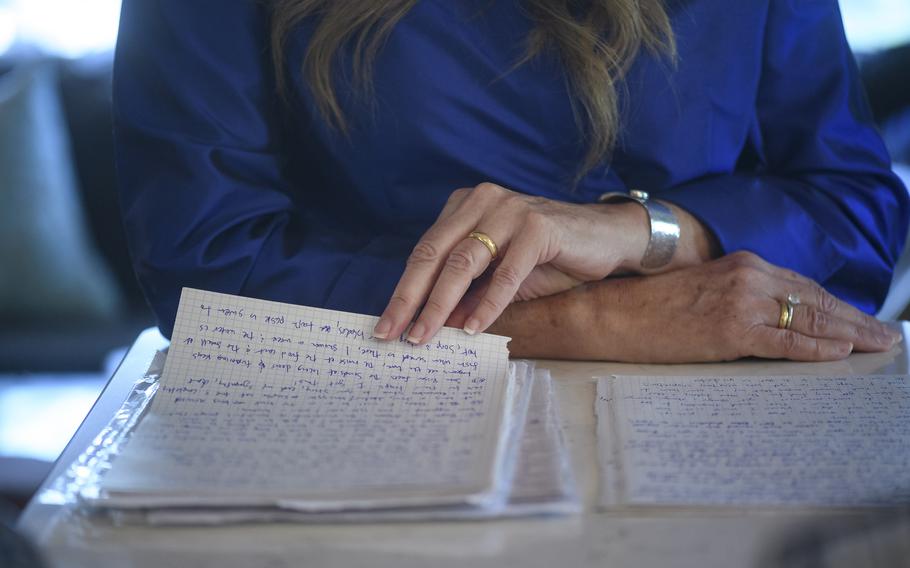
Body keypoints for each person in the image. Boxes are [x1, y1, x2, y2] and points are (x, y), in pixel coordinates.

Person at [114, 0, 908, 363]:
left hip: (737, 428)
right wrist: (600, 324)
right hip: (378, 418)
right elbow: (201, 267)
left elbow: (859, 209)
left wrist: (648, 231)